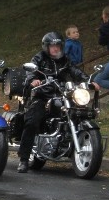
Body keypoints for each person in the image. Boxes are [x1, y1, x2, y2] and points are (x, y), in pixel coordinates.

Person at [16, 32, 100, 173]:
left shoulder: (65, 60)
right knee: (32, 122)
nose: (56, 49)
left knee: (80, 111)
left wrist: (88, 81)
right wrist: (33, 80)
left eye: (58, 46)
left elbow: (75, 71)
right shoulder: (39, 58)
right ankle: (24, 159)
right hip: (43, 96)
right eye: (53, 46)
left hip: (63, 95)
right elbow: (30, 73)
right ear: (47, 47)